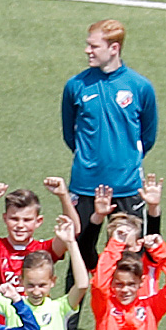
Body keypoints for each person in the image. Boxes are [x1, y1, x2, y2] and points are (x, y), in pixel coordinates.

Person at [59, 19, 156, 235]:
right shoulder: (75, 85)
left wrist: (126, 160)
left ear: (114, 48)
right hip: (85, 184)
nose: (87, 51)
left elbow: (148, 136)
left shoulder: (140, 86)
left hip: (127, 186)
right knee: (79, 251)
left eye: (94, 46)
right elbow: (69, 134)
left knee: (130, 253)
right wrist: (88, 157)